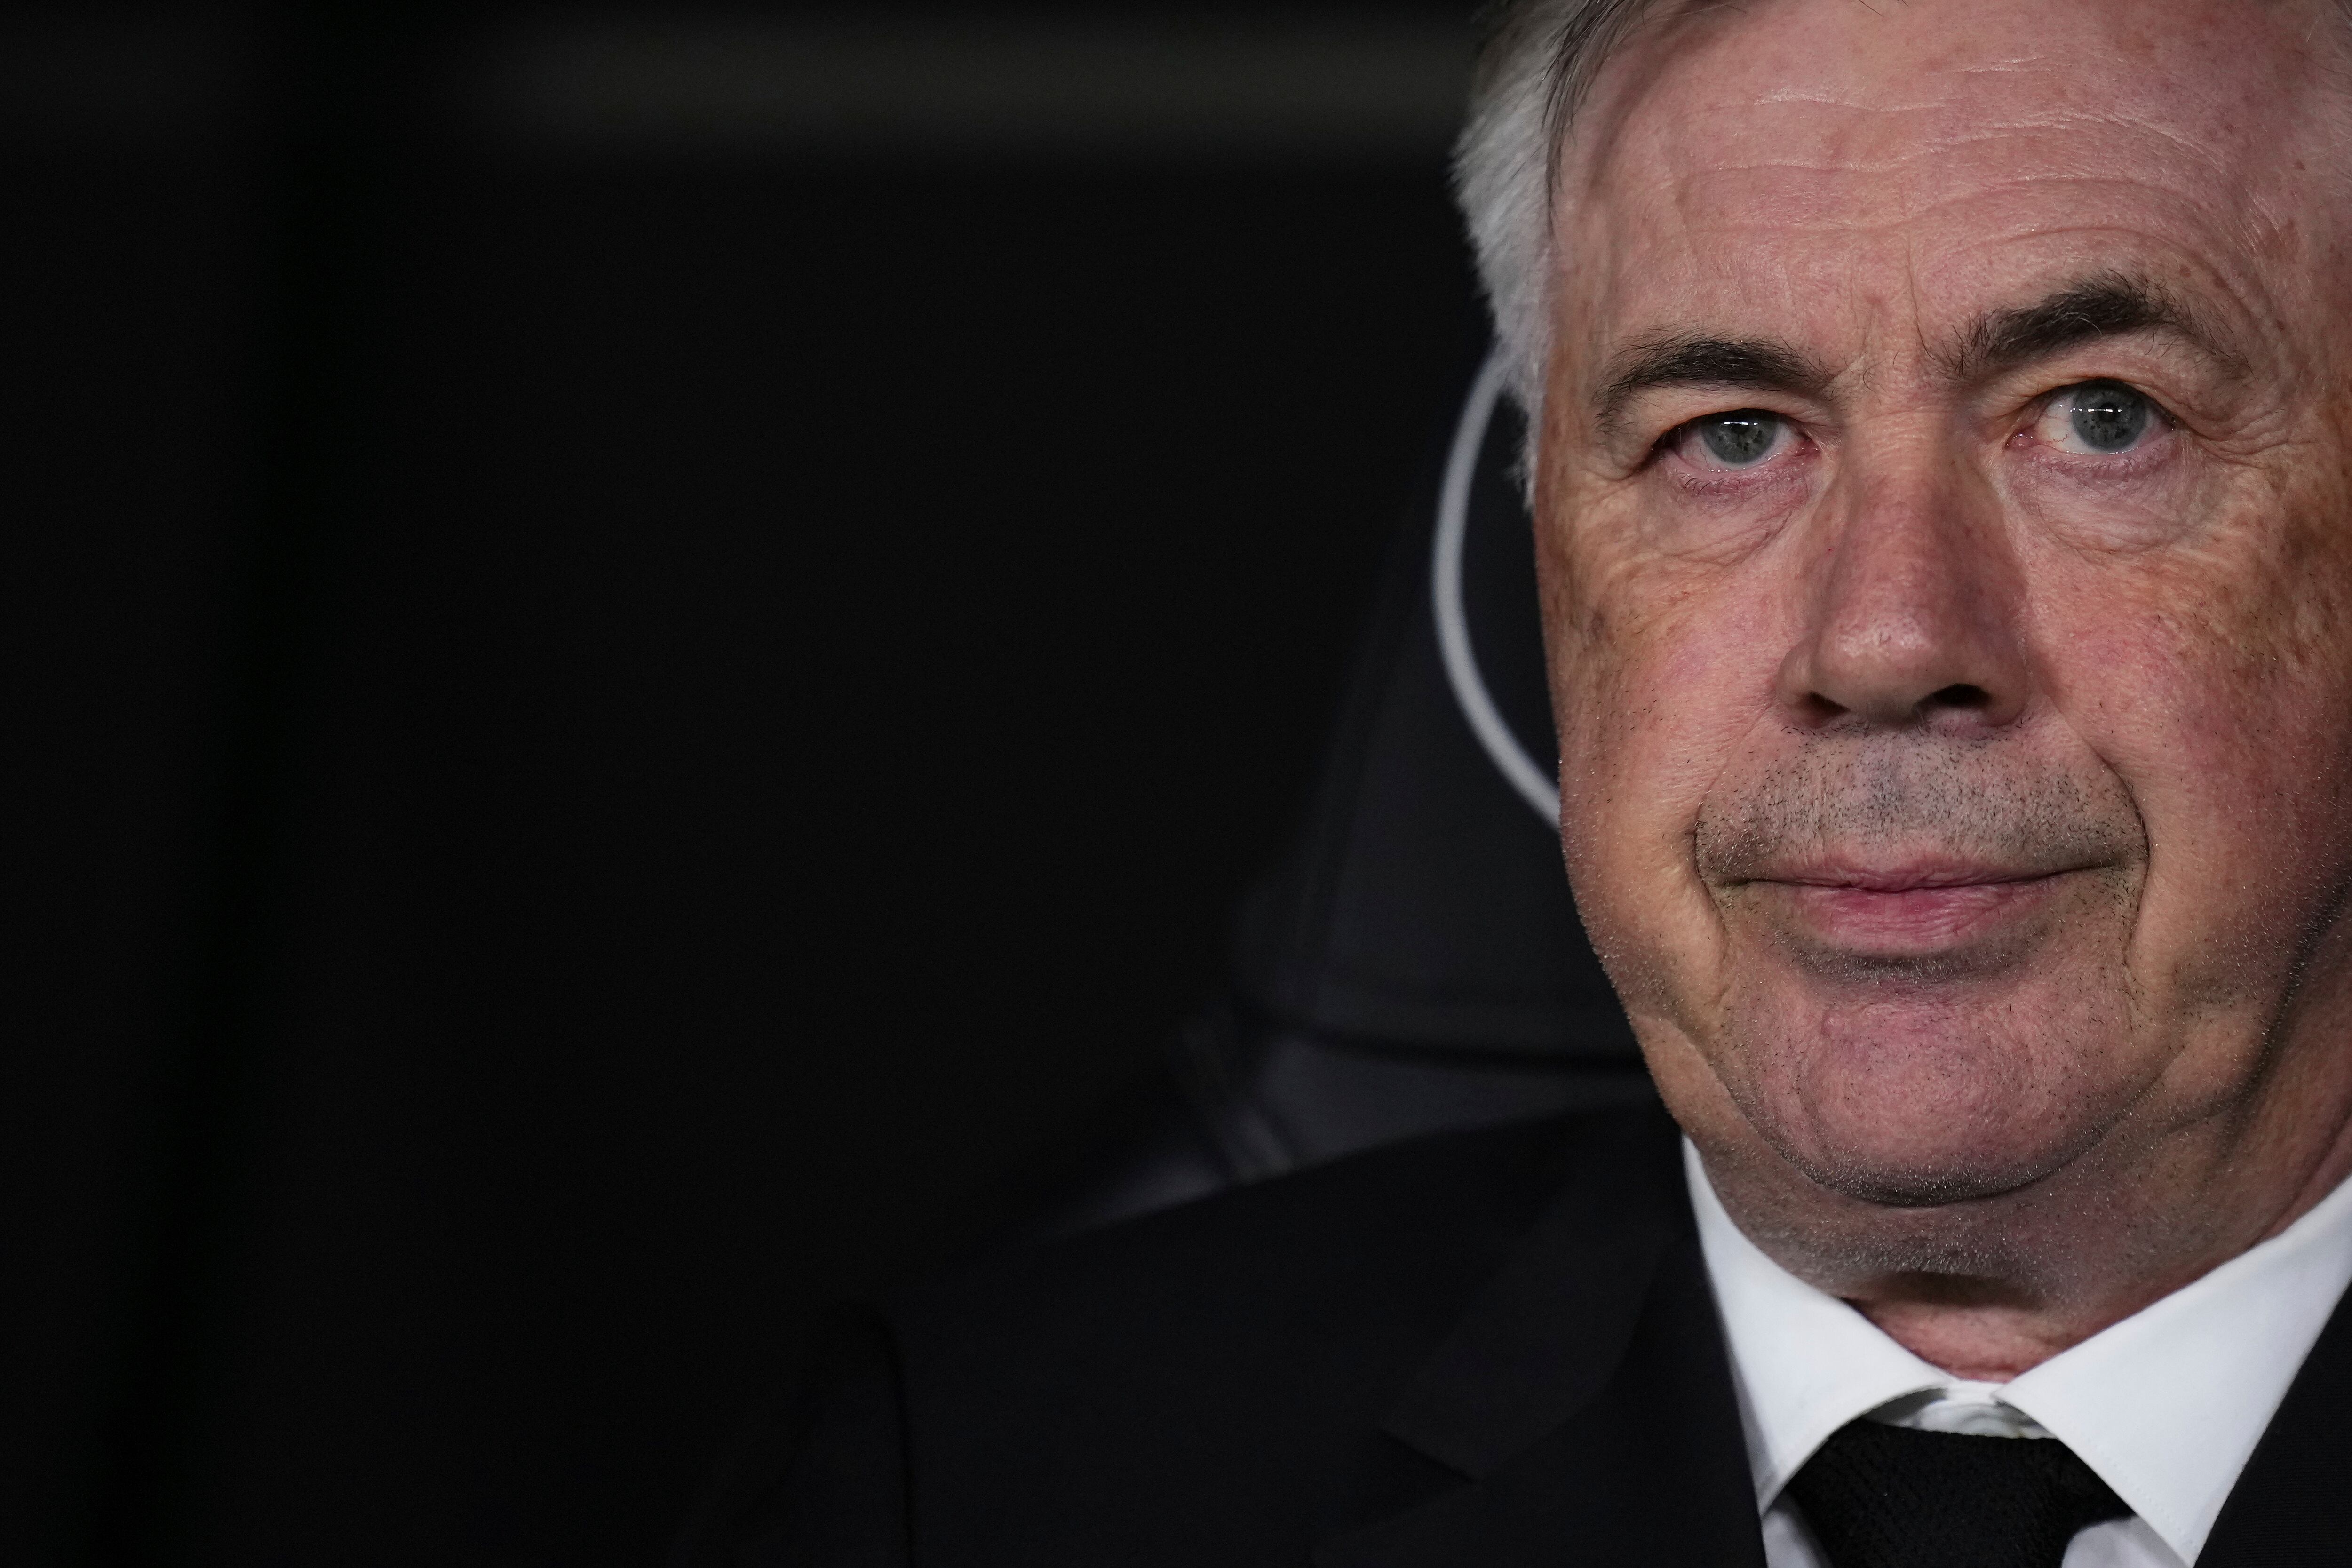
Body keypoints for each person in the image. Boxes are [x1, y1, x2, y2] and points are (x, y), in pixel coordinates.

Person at [689, 1, 2352, 1562]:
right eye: (1731, 433)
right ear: (1548, 555)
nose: (1890, 633)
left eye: (2106, 416)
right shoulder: (968, 1490)